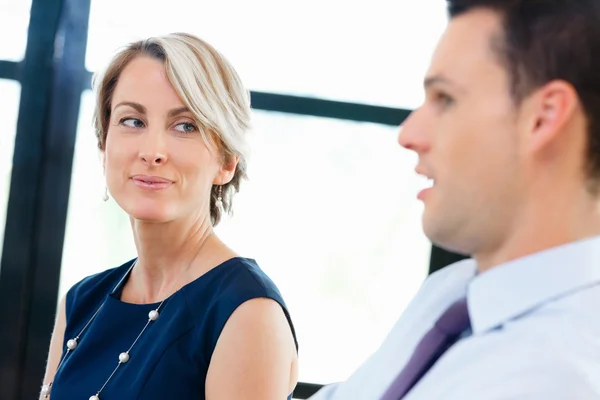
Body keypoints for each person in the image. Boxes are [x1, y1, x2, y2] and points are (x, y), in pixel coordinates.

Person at [311, 0, 600, 399]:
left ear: (543, 117)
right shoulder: (454, 290)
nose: (408, 133)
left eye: (445, 99)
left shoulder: (555, 377)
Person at [40, 33, 299, 400]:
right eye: (132, 121)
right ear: (104, 144)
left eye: (185, 126)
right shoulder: (82, 300)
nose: (152, 151)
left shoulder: (247, 312)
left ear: (227, 161)